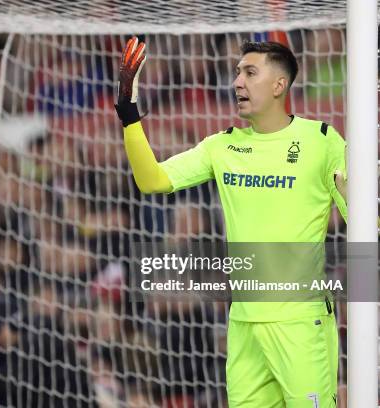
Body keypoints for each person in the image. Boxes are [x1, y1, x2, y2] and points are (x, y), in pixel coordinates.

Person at [114, 37, 347, 407]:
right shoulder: (220, 146)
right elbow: (152, 180)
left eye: (250, 72)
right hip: (243, 321)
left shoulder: (322, 141)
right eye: (237, 72)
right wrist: (128, 113)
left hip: (300, 321)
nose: (237, 81)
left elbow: (366, 222)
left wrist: (355, 195)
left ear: (278, 85)